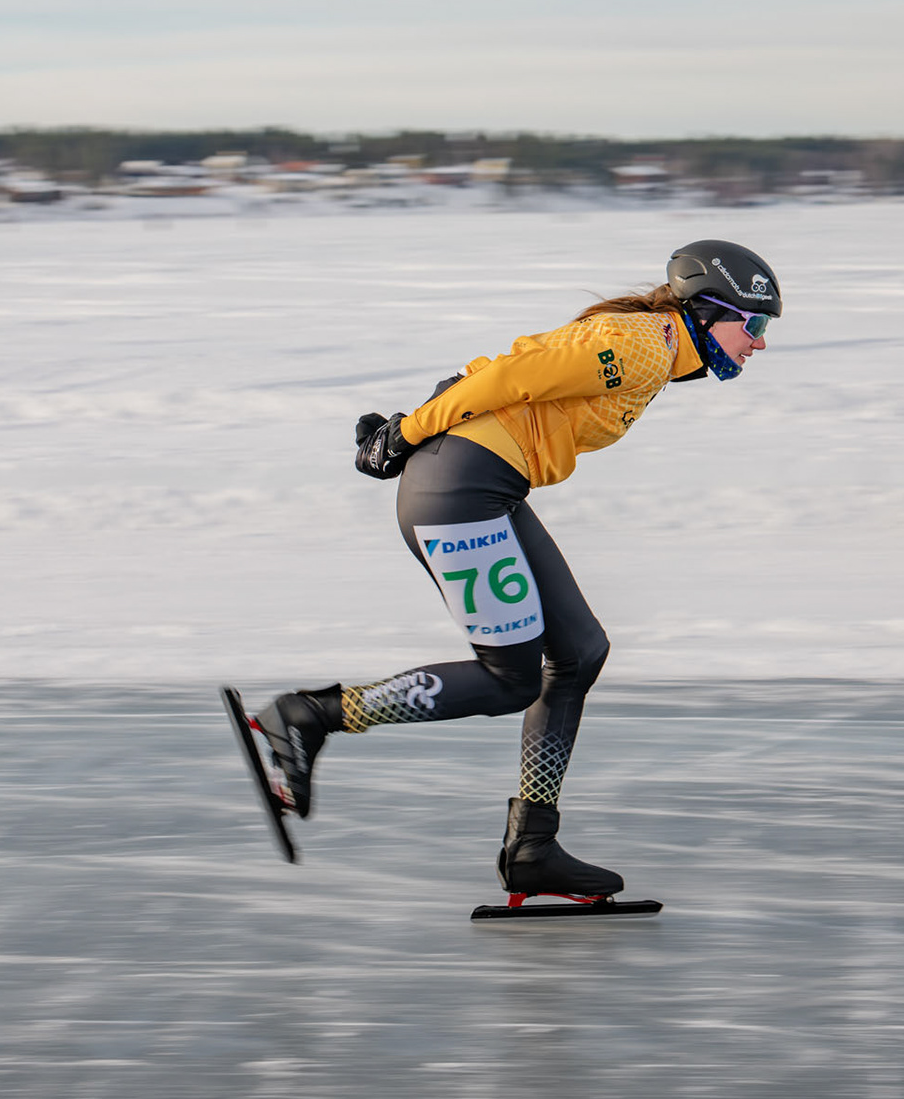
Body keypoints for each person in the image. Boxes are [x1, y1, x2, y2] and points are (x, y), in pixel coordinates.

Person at [249, 239, 784, 897]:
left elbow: (517, 369)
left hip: (483, 485)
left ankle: (533, 841)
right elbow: (505, 378)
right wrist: (409, 433)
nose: (758, 342)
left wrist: (418, 422)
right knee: (509, 680)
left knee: (580, 651)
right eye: (752, 324)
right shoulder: (644, 344)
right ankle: (309, 716)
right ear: (707, 311)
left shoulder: (658, 349)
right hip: (461, 488)